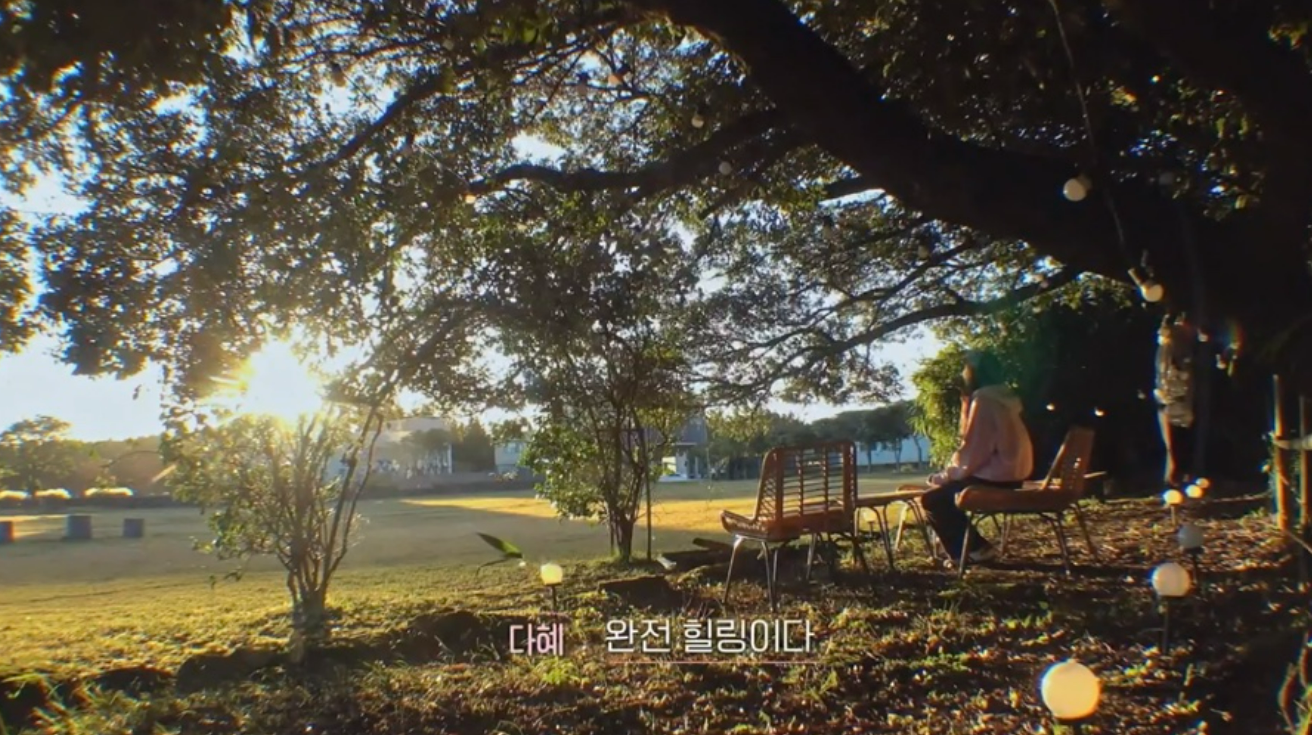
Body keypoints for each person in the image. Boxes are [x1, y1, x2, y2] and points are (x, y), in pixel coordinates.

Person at [921, 350, 1035, 564]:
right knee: (942, 495)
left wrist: (945, 476)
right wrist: (966, 404)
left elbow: (974, 451)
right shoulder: (1003, 399)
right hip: (1013, 475)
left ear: (973, 372)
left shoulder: (985, 401)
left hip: (996, 478)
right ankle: (969, 547)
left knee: (933, 499)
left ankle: (974, 550)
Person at [1154, 311, 1210, 489]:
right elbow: (1165, 372)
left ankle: (1182, 477)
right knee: (1173, 443)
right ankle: (1173, 479)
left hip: (1183, 400)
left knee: (1181, 441)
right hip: (1171, 400)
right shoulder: (1169, 345)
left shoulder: (1183, 344)